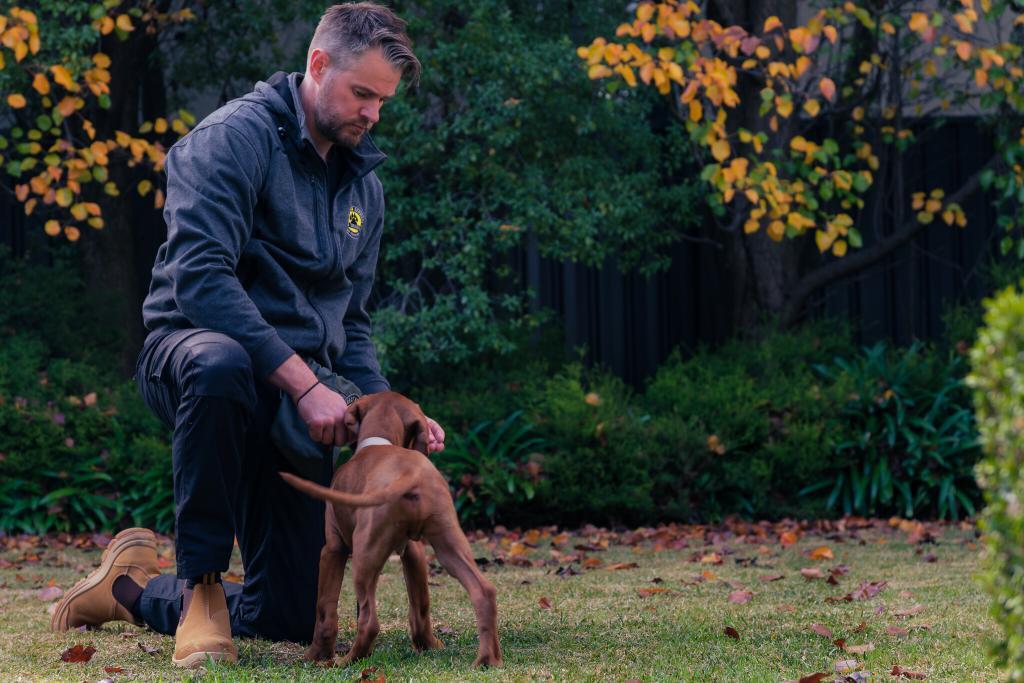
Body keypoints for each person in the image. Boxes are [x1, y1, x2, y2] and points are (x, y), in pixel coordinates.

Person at [49, 2, 441, 668]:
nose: (373, 113)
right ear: (318, 65)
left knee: (286, 615)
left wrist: (390, 418)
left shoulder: (362, 191)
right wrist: (306, 380)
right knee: (223, 363)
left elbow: (353, 324)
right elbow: (201, 278)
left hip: (298, 400)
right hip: (192, 353)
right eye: (363, 94)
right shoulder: (233, 137)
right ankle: (201, 585)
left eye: (384, 100)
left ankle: (125, 588)